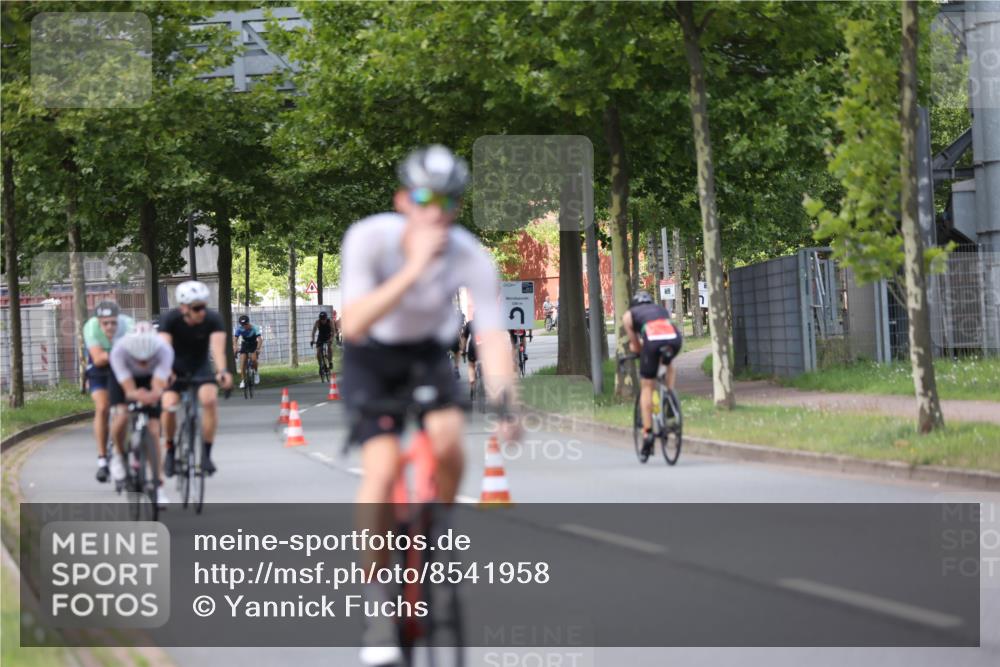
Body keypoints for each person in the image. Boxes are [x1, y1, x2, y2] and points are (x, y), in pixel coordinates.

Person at [340, 145, 518, 665]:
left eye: (448, 200)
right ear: (403, 200)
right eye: (423, 197)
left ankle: (432, 529)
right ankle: (377, 605)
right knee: (382, 465)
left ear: (458, 206)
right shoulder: (369, 239)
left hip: (426, 355)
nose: (435, 209)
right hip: (370, 355)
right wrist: (414, 267)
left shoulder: (469, 253)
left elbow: (490, 331)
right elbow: (354, 322)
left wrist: (506, 402)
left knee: (449, 445)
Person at [159, 281, 232, 477]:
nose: (202, 312)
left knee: (209, 400)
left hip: (200, 366)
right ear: (184, 308)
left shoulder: (213, 319)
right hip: (174, 366)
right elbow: (164, 350)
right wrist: (166, 371)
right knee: (169, 404)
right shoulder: (170, 319)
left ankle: (206, 455)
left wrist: (223, 371)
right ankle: (170, 449)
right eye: (196, 308)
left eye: (204, 306)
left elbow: (217, 351)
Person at [108, 322, 174, 506]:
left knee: (153, 430)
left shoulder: (164, 350)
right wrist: (136, 395)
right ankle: (119, 455)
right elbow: (129, 391)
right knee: (121, 416)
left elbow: (158, 386)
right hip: (123, 379)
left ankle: (158, 486)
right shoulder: (119, 351)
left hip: (150, 380)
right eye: (138, 359)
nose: (143, 363)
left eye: (147, 359)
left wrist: (153, 395)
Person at [622, 290, 683, 457]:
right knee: (668, 364)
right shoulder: (661, 309)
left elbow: (635, 345)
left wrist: (641, 353)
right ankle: (669, 399)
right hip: (674, 340)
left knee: (647, 386)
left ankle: (647, 433)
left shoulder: (628, 315)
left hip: (653, 343)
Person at [83, 300, 134, 483]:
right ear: (98, 321)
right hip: (101, 369)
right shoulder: (91, 327)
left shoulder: (128, 325)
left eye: (113, 322)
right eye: (105, 323)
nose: (110, 326)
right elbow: (98, 359)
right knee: (103, 407)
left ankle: (124, 444)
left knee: (125, 409)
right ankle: (102, 459)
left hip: (122, 367)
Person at [232, 314, 263, 388]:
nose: (244, 326)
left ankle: (255, 373)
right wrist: (235, 347)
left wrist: (258, 349)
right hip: (245, 345)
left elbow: (260, 339)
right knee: (242, 364)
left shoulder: (255, 328)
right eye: (242, 325)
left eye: (245, 324)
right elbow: (235, 339)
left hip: (253, 345)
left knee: (254, 360)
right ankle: (243, 380)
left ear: (248, 322)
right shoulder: (239, 329)